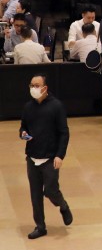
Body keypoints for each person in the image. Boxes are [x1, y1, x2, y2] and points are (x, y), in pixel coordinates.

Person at [20, 74, 72, 240]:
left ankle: (63, 205)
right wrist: (23, 134)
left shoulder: (56, 107)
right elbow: (22, 128)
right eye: (31, 85)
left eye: (36, 85)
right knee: (35, 194)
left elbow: (64, 133)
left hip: (50, 157)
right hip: (32, 156)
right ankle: (40, 226)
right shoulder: (28, 107)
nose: (33, 88)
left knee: (50, 190)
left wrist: (60, 155)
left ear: (45, 88)